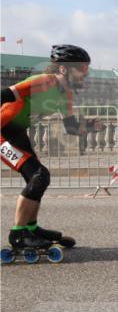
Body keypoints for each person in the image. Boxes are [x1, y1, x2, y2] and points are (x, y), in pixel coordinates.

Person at [1, 44, 103, 251]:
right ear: (63, 69)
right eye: (82, 68)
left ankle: (30, 227)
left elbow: (72, 128)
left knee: (38, 178)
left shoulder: (66, 95)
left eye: (86, 69)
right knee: (39, 175)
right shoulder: (43, 82)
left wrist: (92, 126)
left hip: (16, 133)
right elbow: (5, 94)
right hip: (2, 132)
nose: (86, 73)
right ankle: (18, 234)